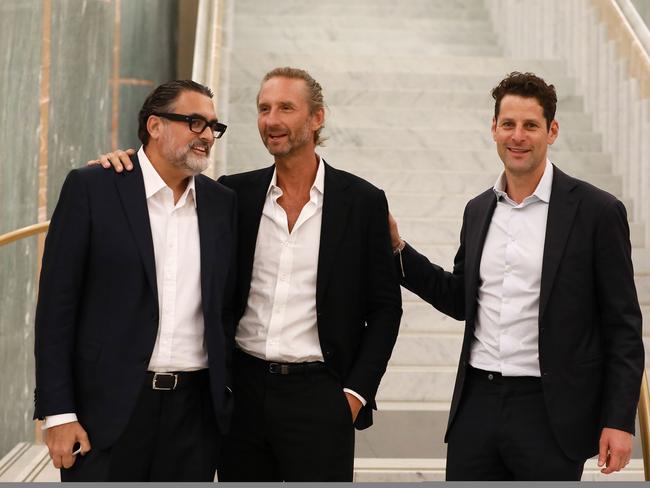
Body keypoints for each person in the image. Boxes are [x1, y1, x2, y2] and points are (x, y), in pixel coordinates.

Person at [93, 66, 402, 481]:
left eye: (286, 108)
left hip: (320, 397)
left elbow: (385, 308)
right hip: (242, 394)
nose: (271, 120)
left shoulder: (362, 201)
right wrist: (124, 164)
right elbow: (161, 176)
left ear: (317, 118)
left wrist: (355, 394)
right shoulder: (231, 194)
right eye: (263, 108)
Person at [389, 71, 644, 480]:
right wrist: (397, 251)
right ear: (493, 129)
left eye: (530, 125)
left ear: (552, 131)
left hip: (549, 411)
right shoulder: (478, 210)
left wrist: (618, 420)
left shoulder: (597, 211)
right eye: (508, 124)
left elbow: (624, 326)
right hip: (476, 405)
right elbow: (459, 299)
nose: (517, 136)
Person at [34, 80, 237, 481]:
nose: (207, 136)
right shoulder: (92, 187)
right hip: (105, 416)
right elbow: (57, 308)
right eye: (195, 122)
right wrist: (58, 413)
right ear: (155, 126)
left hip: (194, 417)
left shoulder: (222, 204)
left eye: (213, 127)